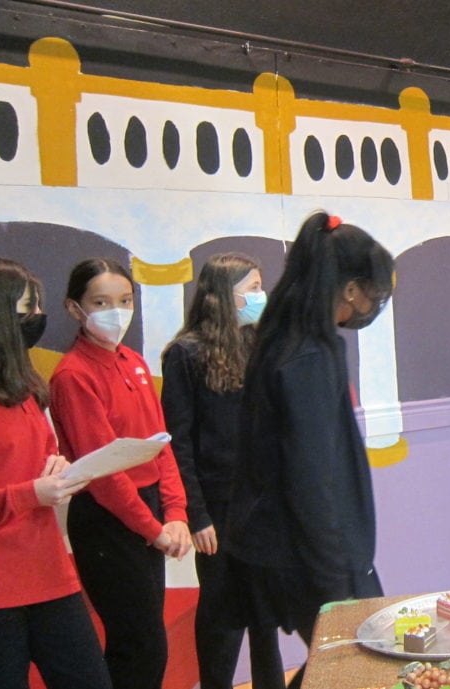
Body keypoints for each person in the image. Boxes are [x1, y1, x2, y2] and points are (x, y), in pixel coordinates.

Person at [223, 211, 394, 689]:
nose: (373, 304)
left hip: (283, 549)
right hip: (302, 553)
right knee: (366, 661)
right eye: (373, 293)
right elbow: (311, 477)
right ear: (351, 289)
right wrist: (336, 580)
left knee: (347, 663)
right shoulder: (309, 355)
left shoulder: (284, 339)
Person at [49, 258, 191, 689]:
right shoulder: (73, 374)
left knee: (146, 642)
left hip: (147, 513)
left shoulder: (133, 361)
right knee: (139, 643)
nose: (117, 311)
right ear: (75, 308)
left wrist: (177, 512)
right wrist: (154, 529)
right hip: (108, 520)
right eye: (102, 302)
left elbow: (161, 446)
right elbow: (105, 473)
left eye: (125, 300)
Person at [0, 257, 111, 689]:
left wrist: (61, 469)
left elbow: (44, 454)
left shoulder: (26, 388)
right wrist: (30, 493)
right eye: (26, 308)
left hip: (50, 576)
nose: (36, 319)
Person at [161, 253, 285, 689]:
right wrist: (196, 514)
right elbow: (179, 441)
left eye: (259, 285)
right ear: (221, 296)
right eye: (251, 288)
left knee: (264, 615)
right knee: (221, 613)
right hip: (216, 505)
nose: (260, 295)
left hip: (261, 504)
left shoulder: (256, 343)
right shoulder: (185, 353)